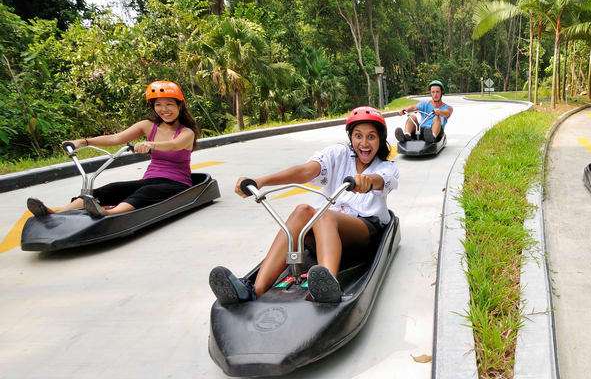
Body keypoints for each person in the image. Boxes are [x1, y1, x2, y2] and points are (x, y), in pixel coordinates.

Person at [209, 106, 399, 304]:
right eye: (358, 136)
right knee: (303, 210)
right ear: (351, 137)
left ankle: (327, 286)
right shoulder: (338, 154)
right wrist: (260, 181)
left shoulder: (387, 167)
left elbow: (380, 180)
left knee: (323, 214)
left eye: (371, 137)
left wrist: (367, 182)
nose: (364, 143)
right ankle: (254, 289)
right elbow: (305, 171)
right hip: (324, 227)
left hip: (364, 230)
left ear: (380, 139)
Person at [26, 80, 198, 219]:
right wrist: (83, 142)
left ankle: (108, 213)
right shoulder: (148, 126)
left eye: (169, 104)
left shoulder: (186, 132)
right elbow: (116, 138)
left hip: (177, 184)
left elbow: (174, 145)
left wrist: (151, 145)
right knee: (112, 188)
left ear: (179, 106)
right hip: (149, 179)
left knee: (147, 192)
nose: (164, 109)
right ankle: (56, 211)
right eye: (158, 105)